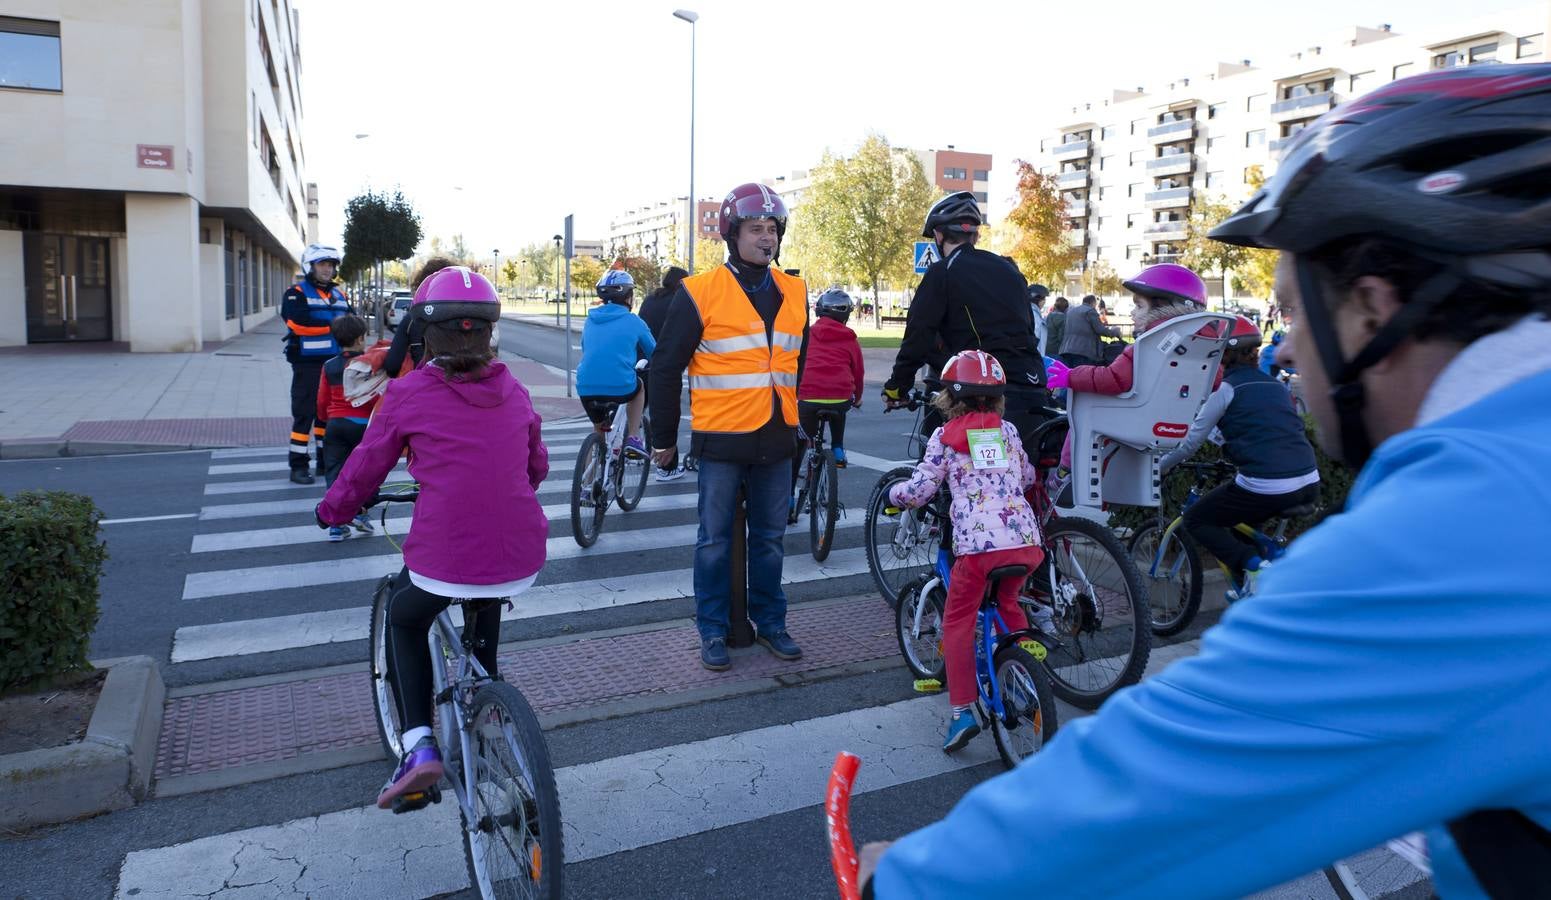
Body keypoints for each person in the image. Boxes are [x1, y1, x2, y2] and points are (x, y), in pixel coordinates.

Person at [860, 64, 1551, 897]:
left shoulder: (1472, 527)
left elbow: (1161, 783)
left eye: (1294, 311)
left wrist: (909, 882)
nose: (1285, 348)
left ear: (1374, 308)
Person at [315, 266, 548, 810]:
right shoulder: (513, 388)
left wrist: (333, 511)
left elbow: (367, 466)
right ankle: (489, 694)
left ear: (423, 333)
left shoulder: (409, 392)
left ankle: (418, 746)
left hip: (446, 553)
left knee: (405, 613)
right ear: (489, 334)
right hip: (522, 550)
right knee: (485, 589)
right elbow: (534, 466)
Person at [648, 182, 810, 672]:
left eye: (772, 229)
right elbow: (664, 367)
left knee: (769, 539)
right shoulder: (699, 293)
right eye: (756, 229)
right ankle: (713, 630)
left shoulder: (796, 290)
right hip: (722, 440)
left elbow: (793, 362)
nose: (766, 239)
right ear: (732, 234)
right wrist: (663, 440)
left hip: (778, 435)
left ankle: (772, 622)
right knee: (714, 541)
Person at [886, 350, 1045, 752]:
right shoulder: (1007, 431)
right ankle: (1024, 675)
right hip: (1024, 542)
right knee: (1008, 601)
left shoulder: (945, 436)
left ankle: (962, 713)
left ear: (949, 398)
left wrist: (895, 494)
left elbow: (921, 490)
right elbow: (1026, 475)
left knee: (958, 623)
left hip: (977, 549)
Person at [1159, 316, 1320, 599]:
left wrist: (1157, 469)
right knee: (1243, 523)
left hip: (1268, 484)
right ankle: (1252, 584)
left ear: (1223, 353)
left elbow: (1188, 446)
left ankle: (1255, 567)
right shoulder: (1275, 386)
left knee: (1197, 519)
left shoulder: (1225, 389)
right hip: (1309, 479)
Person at [883, 191, 1048, 438]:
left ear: (939, 235)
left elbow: (919, 335)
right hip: (1029, 386)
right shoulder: (1010, 271)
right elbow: (1027, 326)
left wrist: (897, 387)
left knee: (941, 465)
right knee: (1021, 470)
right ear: (975, 234)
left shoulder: (943, 272)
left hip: (978, 392)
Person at [281, 244, 353, 484]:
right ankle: (298, 466)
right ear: (310, 266)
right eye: (322, 264)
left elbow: (352, 323)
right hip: (307, 365)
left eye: (331, 265)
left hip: (335, 364)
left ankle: (324, 461)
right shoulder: (296, 293)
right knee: (305, 415)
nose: (327, 269)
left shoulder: (339, 294)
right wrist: (337, 326)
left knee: (328, 415)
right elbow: (297, 324)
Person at [314, 314, 379, 542]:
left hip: (336, 426)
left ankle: (335, 525)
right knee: (363, 473)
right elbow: (374, 397)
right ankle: (361, 514)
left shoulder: (329, 366)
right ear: (361, 338)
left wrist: (324, 419)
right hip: (362, 426)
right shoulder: (369, 364)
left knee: (335, 473)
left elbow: (322, 400)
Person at [576, 269, 655, 456]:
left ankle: (589, 481)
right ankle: (634, 437)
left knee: (599, 433)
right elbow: (655, 352)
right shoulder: (634, 321)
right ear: (629, 297)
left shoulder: (590, 320)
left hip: (586, 387)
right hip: (621, 386)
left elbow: (587, 349)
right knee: (640, 388)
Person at [795, 288, 863, 470]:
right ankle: (838, 448)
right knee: (839, 407)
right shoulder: (850, 340)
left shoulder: (806, 336)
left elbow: (796, 364)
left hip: (807, 396)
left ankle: (789, 494)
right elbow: (858, 372)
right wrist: (858, 396)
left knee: (799, 444)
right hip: (841, 396)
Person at [383, 256, 459, 378]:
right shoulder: (470, 318)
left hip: (425, 388)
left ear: (423, 286)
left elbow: (392, 365)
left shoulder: (413, 319)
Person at [1056, 293, 1120, 368]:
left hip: (1066, 350)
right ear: (1093, 303)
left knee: (1070, 375)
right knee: (1082, 376)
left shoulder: (1071, 311)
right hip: (1083, 351)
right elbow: (1100, 329)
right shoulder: (1090, 311)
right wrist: (1114, 332)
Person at [638, 265, 689, 342]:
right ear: (682, 283)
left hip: (642, 348)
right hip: (661, 350)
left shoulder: (650, 298)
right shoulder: (678, 302)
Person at [1026, 283, 1050, 357]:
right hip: (1034, 358)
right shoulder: (1034, 315)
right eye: (1044, 299)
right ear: (1038, 299)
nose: (1044, 302)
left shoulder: (1030, 312)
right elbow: (1035, 338)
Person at [1044, 295, 1068, 361]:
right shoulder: (1063, 318)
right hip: (1056, 350)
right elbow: (1061, 337)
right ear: (1065, 308)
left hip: (1046, 347)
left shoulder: (1049, 315)